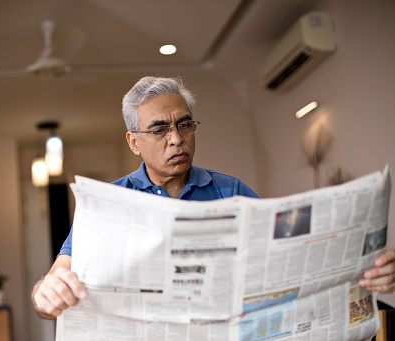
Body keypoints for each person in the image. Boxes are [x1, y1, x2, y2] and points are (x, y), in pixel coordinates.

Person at [31, 76, 395, 319]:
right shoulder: (107, 203)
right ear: (134, 142)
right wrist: (45, 293)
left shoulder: (231, 191)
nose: (176, 139)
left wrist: (369, 271)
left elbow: (291, 260)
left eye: (184, 124)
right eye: (159, 130)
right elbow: (52, 286)